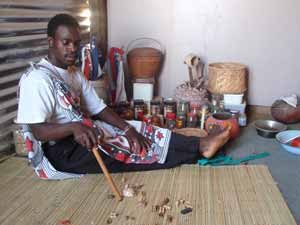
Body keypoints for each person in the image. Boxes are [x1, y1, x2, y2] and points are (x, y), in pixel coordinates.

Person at [17, 14, 230, 179]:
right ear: (51, 42)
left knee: (142, 132)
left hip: (85, 134)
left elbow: (99, 108)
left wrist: (128, 129)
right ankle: (198, 150)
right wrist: (73, 128)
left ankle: (200, 143)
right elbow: (38, 131)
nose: (73, 49)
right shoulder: (37, 79)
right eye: (66, 43)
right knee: (134, 153)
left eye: (76, 43)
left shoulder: (73, 72)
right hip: (61, 154)